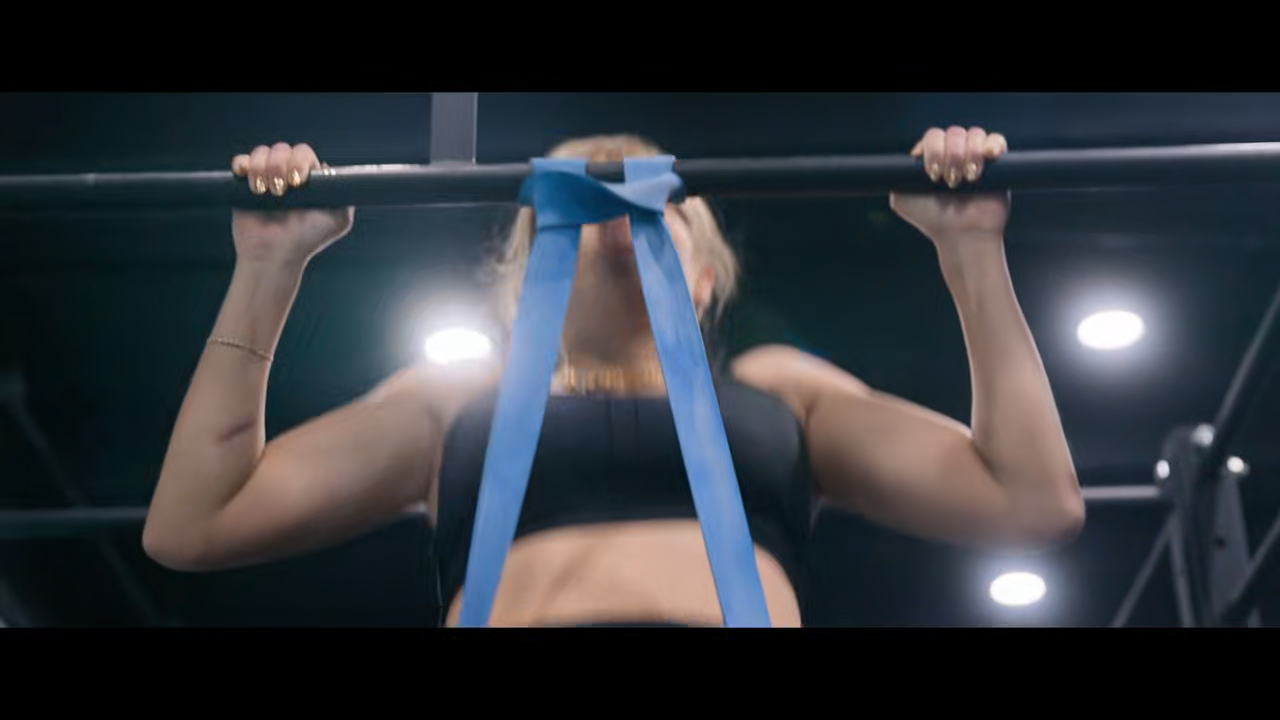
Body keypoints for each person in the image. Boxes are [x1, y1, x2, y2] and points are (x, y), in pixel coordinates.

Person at [142, 127, 1084, 627]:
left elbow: (1032, 500)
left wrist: (972, 253)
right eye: (581, 194)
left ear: (701, 278)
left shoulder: (778, 389)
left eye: (649, 198)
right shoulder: (458, 401)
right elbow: (193, 524)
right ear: (524, 283)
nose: (614, 202)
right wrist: (268, 268)